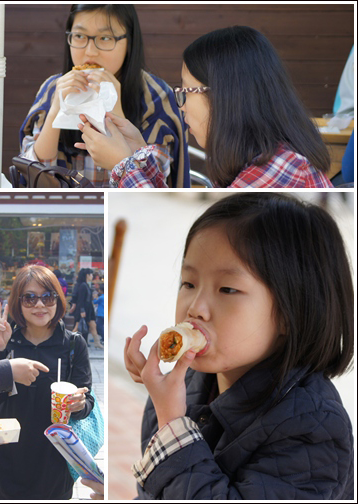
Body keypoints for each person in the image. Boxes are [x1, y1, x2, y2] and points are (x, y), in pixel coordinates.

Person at [124, 193, 353, 499]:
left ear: (291, 313)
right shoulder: (192, 383)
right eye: (189, 283)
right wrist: (162, 400)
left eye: (227, 289)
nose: (196, 308)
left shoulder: (313, 428)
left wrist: (171, 425)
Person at [79, 26, 334, 188]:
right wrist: (137, 155)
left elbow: (180, 235)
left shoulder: (277, 171)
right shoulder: (266, 161)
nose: (181, 106)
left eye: (186, 92)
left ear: (226, 96)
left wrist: (123, 165)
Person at [19, 4, 190, 188]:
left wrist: (115, 110)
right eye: (79, 36)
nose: (90, 52)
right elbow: (33, 177)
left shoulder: (157, 97)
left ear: (129, 41)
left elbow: (152, 184)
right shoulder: (52, 88)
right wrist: (55, 111)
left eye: (105, 38)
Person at [0, 265, 95, 500]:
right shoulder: (7, 340)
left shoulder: (73, 344)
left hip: (52, 461)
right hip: (7, 454)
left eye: (48, 297)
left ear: (58, 299)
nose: (40, 305)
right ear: (18, 303)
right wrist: (0, 350)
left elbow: (87, 402)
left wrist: (79, 404)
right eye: (30, 298)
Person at [73, 268, 103, 349]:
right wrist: (82, 310)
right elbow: (81, 299)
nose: (92, 276)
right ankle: (69, 343)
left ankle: (97, 343)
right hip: (84, 309)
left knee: (93, 326)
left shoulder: (86, 285)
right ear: (87, 275)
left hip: (89, 309)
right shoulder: (83, 285)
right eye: (91, 274)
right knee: (77, 327)